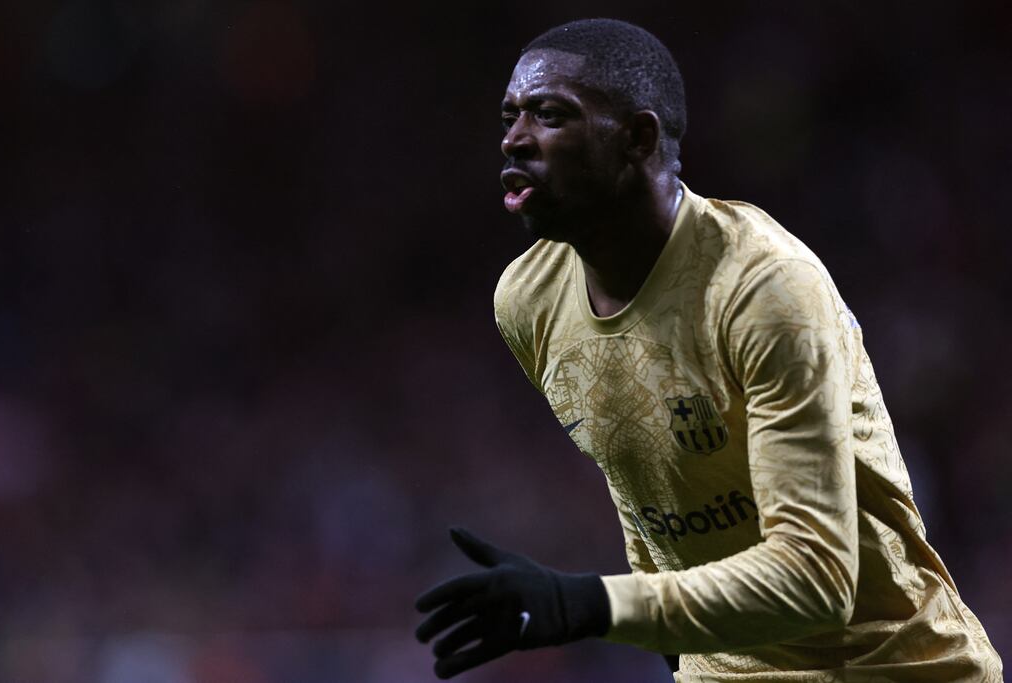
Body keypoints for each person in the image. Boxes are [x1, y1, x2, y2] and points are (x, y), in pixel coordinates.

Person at [413, 18, 1003, 682]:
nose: (514, 138)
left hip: (888, 668)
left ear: (637, 139)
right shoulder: (526, 301)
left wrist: (587, 603)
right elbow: (644, 491)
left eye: (550, 115)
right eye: (510, 116)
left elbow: (816, 577)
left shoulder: (763, 287)